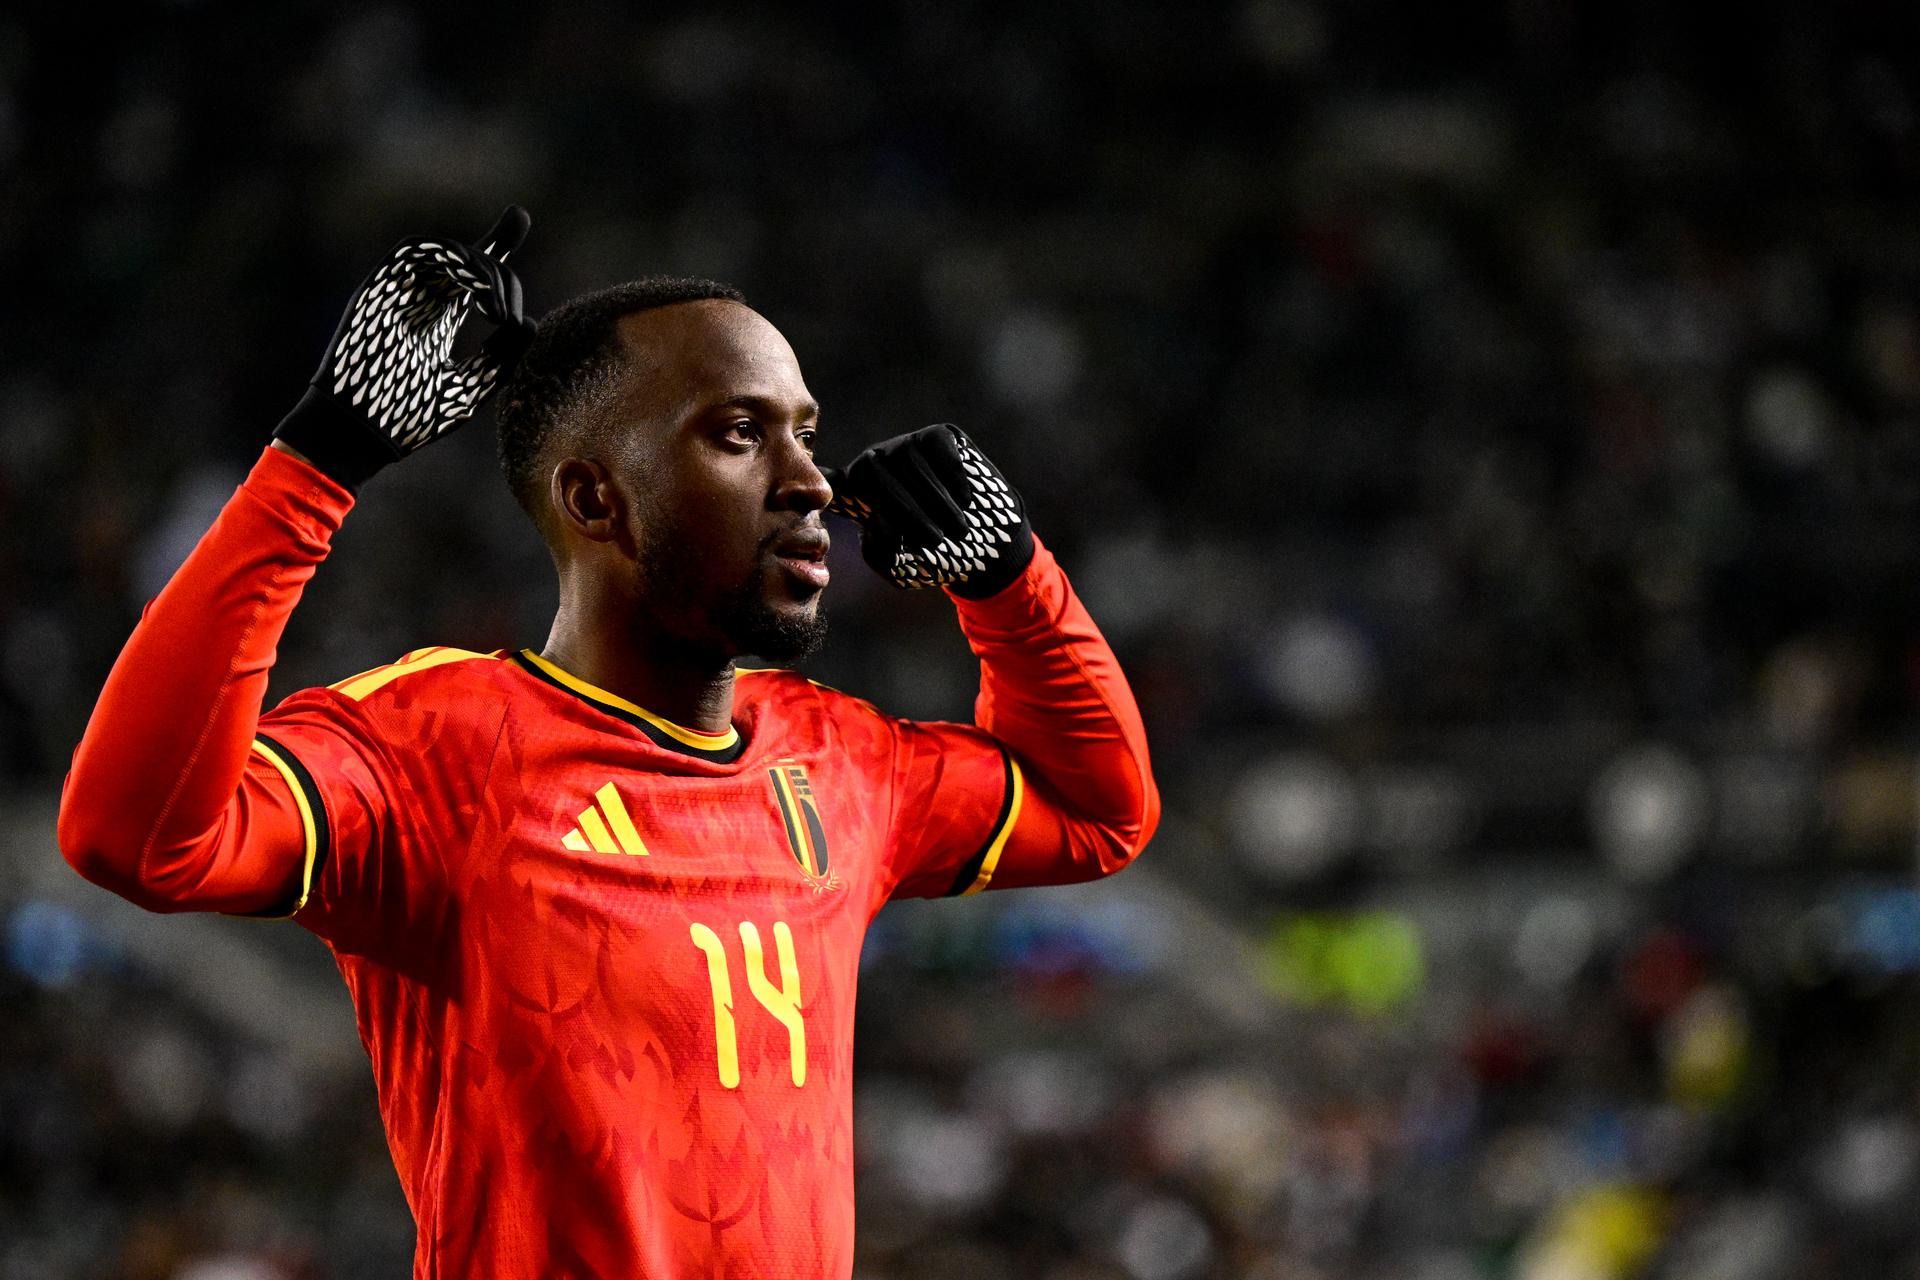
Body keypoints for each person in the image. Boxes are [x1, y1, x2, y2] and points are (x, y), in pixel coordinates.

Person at [55, 206, 1159, 1278]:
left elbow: (1099, 811)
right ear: (598, 497)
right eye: (740, 433)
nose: (811, 481)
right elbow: (133, 837)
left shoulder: (839, 759)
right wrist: (316, 464)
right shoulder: (440, 751)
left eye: (804, 433)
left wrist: (1014, 583)